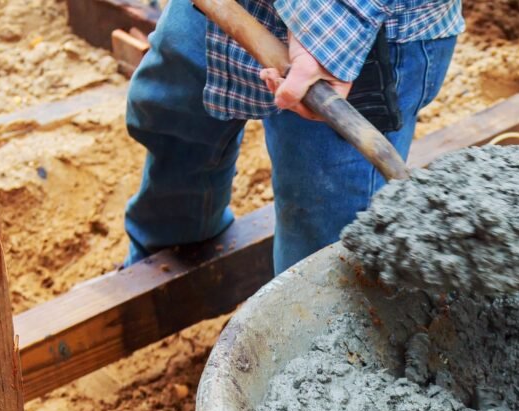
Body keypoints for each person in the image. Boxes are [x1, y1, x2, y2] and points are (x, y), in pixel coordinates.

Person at [124, 0, 462, 274]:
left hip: (356, 32)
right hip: (220, 10)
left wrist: (337, 21)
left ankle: (311, 345)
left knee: (326, 236)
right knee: (172, 121)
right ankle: (169, 250)